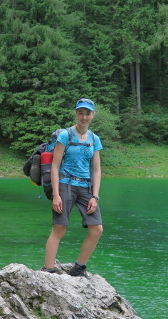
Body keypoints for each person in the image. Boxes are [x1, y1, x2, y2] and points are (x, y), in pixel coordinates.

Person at [42, 98, 103, 277]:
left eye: (88, 113)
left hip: (86, 188)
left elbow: (97, 170)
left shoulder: (94, 139)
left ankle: (79, 267)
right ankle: (48, 269)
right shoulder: (65, 136)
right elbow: (54, 166)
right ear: (76, 113)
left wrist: (95, 196)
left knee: (97, 229)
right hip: (65, 185)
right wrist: (56, 195)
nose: (84, 117)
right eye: (81, 113)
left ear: (93, 115)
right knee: (59, 228)